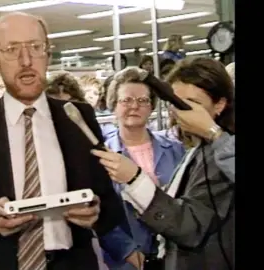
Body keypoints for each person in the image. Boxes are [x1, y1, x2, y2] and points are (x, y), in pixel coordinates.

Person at [0, 12, 124, 270]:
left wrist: (96, 212)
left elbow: (110, 207)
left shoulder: (77, 117)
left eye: (35, 47)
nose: (26, 61)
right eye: (12, 49)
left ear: (48, 53)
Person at [91, 57, 235, 270]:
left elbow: (188, 225)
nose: (181, 113)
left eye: (192, 104)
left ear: (220, 104)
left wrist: (135, 179)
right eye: (176, 103)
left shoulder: (214, 155)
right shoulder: (195, 151)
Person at [98, 67, 184, 270]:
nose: (134, 106)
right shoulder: (102, 154)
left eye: (143, 101)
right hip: (125, 261)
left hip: (175, 255)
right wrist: (128, 252)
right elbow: (100, 212)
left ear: (152, 106)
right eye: (126, 100)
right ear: (113, 105)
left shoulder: (176, 149)